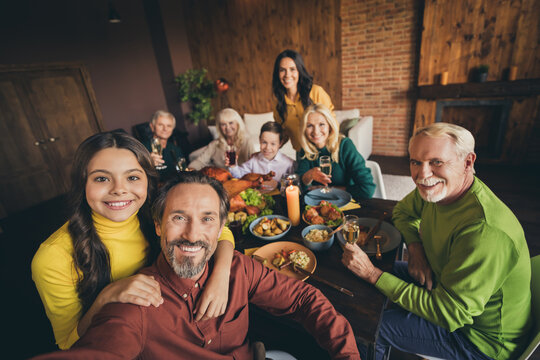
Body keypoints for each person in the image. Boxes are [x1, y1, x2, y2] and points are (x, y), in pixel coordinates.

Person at [32, 172, 361, 360]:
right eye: (179, 218)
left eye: (206, 220)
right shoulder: (136, 305)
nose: (191, 235)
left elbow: (304, 299)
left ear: (220, 230)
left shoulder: (237, 268)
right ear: (159, 225)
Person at [342, 123, 532, 360]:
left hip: (478, 340)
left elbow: (450, 314)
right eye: (415, 162)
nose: (422, 175)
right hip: (442, 284)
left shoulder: (484, 232)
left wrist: (373, 274)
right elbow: (402, 212)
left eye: (436, 162)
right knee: (360, 276)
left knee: (366, 327)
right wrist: (415, 248)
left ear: (468, 163)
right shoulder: (438, 192)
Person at [31, 132, 235, 350]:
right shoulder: (52, 257)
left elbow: (220, 230)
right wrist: (105, 298)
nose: (119, 189)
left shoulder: (155, 211)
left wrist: (221, 275)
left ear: (147, 180)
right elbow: (68, 343)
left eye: (132, 177)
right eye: (101, 178)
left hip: (176, 326)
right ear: (83, 183)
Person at [297, 104, 375, 200]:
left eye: (321, 124)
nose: (316, 131)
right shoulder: (305, 149)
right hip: (318, 203)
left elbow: (367, 189)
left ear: (329, 126)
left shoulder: (345, 145)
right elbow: (299, 188)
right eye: (309, 126)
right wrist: (309, 175)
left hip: (346, 200)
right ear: (304, 129)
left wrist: (332, 190)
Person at [272, 49, 335, 152]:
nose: (287, 74)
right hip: (302, 156)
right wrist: (267, 148)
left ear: (299, 71)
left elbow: (333, 123)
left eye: (292, 69)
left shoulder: (316, 92)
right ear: (277, 73)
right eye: (282, 70)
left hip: (326, 151)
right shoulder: (278, 104)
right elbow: (284, 134)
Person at [188, 108, 257, 170]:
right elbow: (200, 161)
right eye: (223, 124)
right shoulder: (214, 144)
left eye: (231, 123)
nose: (227, 127)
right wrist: (190, 170)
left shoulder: (247, 141)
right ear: (219, 127)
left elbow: (255, 163)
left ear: (238, 124)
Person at [226, 121, 295, 181]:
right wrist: (233, 165)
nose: (267, 148)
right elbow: (239, 176)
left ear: (280, 143)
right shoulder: (253, 160)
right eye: (264, 142)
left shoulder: (289, 164)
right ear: (259, 140)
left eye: (273, 144)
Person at [143, 110, 185, 179]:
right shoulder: (142, 148)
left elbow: (182, 172)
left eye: (169, 126)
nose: (165, 129)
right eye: (160, 125)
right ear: (152, 127)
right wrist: (148, 165)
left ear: (172, 129)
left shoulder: (176, 149)